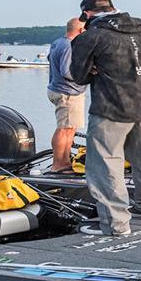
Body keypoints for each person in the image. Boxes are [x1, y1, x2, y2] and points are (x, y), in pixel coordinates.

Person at [70, 0, 141, 237]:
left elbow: (78, 76)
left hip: (110, 106)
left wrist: (92, 67)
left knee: (105, 164)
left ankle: (115, 223)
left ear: (87, 15)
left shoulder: (92, 36)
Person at [46, 18, 87, 174]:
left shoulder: (58, 42)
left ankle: (65, 162)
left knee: (70, 128)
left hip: (58, 90)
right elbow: (67, 72)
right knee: (64, 129)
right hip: (67, 93)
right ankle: (58, 165)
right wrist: (88, 74)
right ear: (81, 31)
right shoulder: (69, 45)